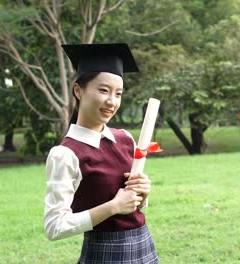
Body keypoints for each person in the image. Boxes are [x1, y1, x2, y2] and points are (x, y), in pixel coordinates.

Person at [44, 43, 159, 263]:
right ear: (78, 91)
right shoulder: (66, 154)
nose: (112, 102)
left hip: (144, 247)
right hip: (105, 254)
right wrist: (113, 207)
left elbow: (133, 203)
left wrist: (142, 195)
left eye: (118, 94)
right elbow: (54, 226)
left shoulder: (125, 138)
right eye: (103, 90)